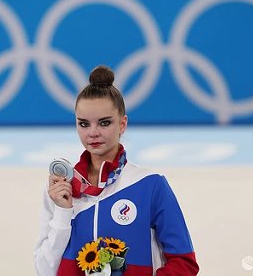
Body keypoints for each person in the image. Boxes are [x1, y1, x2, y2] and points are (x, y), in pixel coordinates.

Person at [34, 65, 199, 276]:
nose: (93, 133)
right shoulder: (61, 189)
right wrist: (63, 212)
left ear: (122, 124)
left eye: (104, 123)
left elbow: (185, 263)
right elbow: (43, 271)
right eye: (84, 124)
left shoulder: (150, 185)